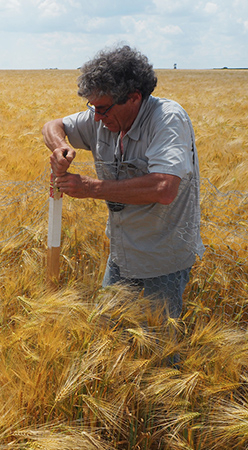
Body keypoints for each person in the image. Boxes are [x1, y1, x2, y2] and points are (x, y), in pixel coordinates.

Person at [42, 44, 204, 319]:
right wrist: (60, 146)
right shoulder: (103, 118)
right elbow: (52, 125)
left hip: (163, 257)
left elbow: (164, 188)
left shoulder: (167, 119)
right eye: (91, 108)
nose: (95, 118)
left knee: (159, 344)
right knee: (107, 329)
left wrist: (91, 188)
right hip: (121, 252)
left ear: (134, 98)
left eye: (102, 109)